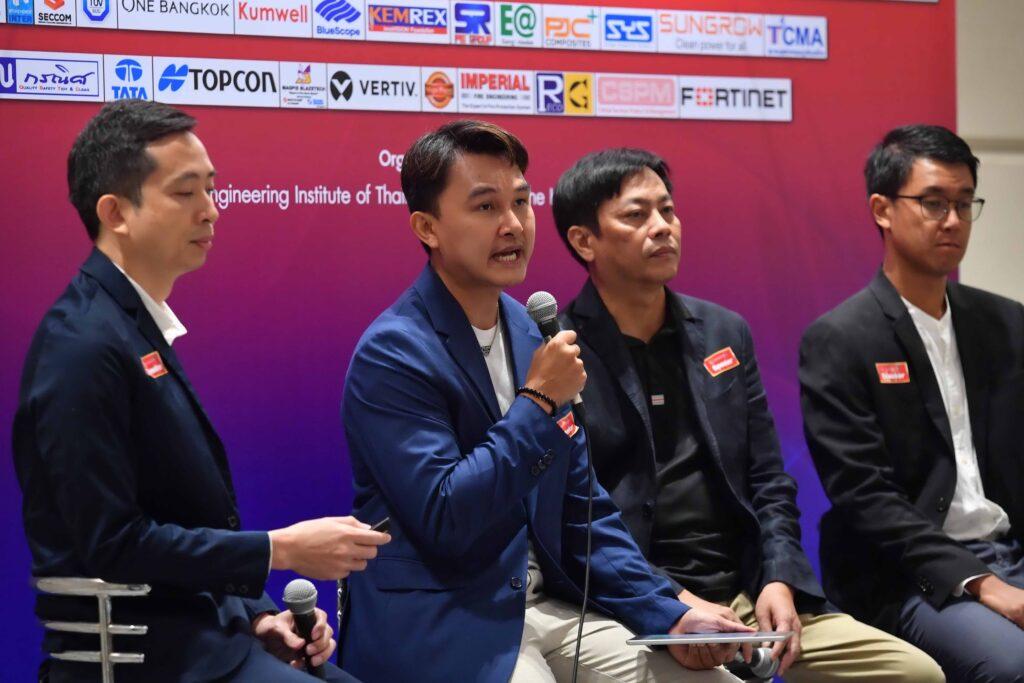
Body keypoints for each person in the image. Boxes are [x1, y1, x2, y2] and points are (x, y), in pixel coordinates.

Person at [340, 121, 755, 683]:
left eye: (520, 201)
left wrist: (670, 612)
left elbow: (583, 509)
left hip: (549, 606)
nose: (513, 224)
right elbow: (446, 517)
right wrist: (537, 401)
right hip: (447, 618)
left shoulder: (530, 329)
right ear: (428, 227)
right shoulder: (394, 352)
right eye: (485, 207)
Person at [13, 100, 388, 682]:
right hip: (150, 661)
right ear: (116, 212)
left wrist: (259, 616)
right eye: (185, 193)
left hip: (212, 639)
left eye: (210, 189)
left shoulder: (130, 324)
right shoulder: (81, 345)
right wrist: (279, 550)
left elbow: (179, 515)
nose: (211, 210)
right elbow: (113, 542)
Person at [553, 147, 944, 681]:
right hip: (639, 602)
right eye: (636, 215)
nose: (662, 227)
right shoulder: (560, 353)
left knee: (915, 673)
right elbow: (575, 520)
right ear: (584, 241)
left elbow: (768, 480)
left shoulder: (723, 332)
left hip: (747, 591)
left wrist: (779, 578)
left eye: (668, 210)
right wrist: (674, 601)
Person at [800, 124, 1024, 681]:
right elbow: (866, 496)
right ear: (882, 209)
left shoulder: (1006, 323)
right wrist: (982, 582)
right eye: (933, 203)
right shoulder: (840, 338)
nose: (953, 220)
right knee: (1012, 665)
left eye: (964, 203)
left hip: (1009, 550)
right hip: (907, 575)